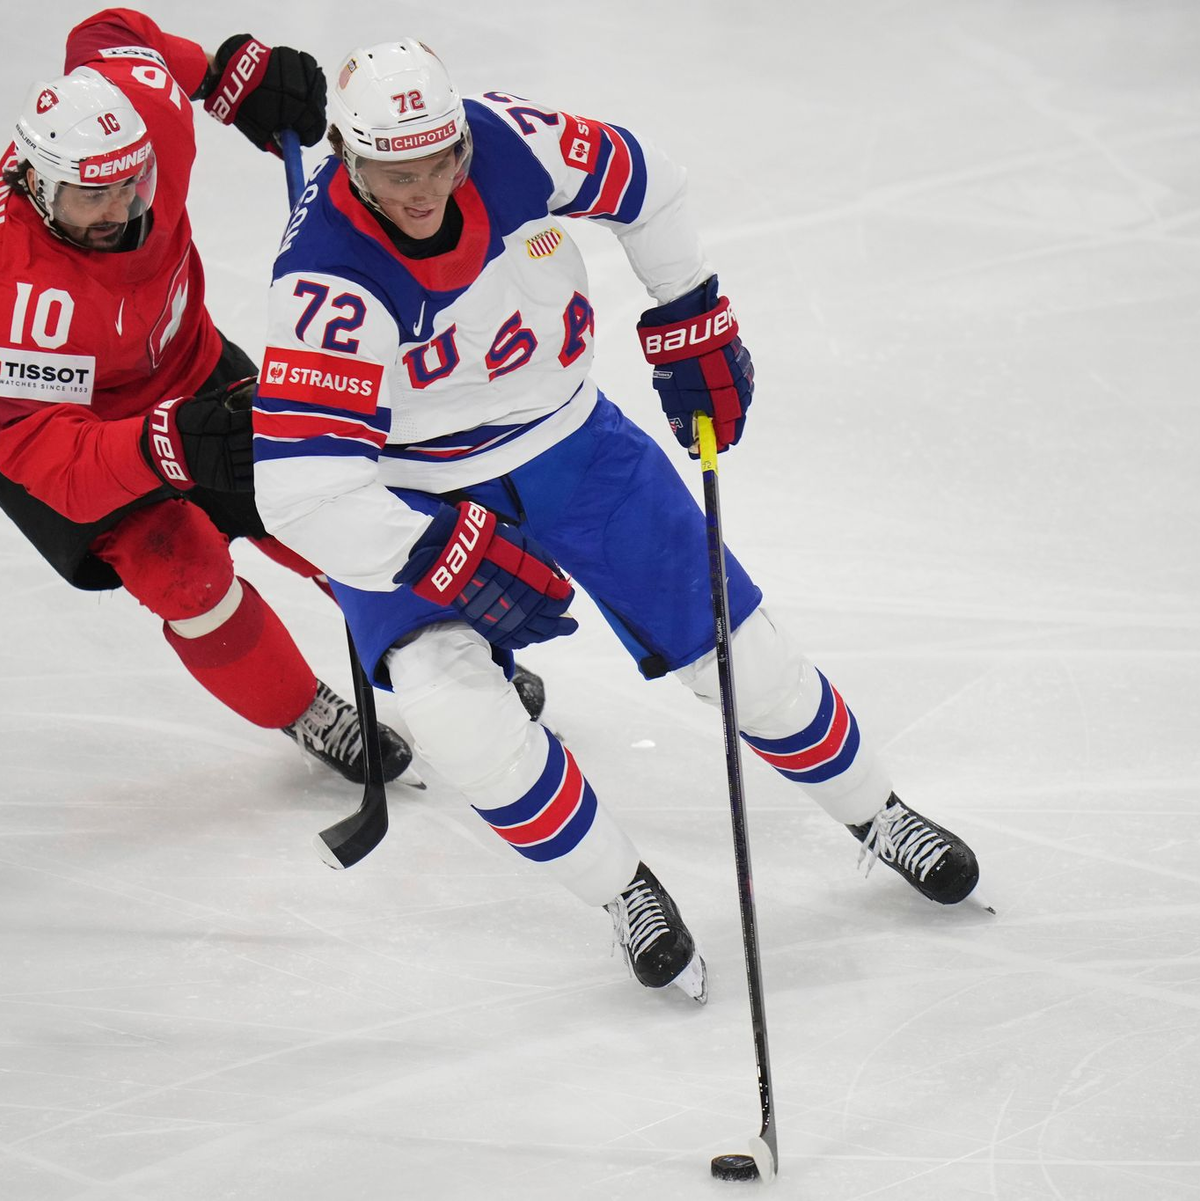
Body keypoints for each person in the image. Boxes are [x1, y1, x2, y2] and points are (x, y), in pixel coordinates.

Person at [252, 40, 984, 1003]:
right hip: (412, 492)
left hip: (576, 448)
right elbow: (300, 493)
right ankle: (622, 891)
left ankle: (877, 813)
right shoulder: (323, 283)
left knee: (739, 654)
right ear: (349, 156)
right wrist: (438, 548)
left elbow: (653, 184)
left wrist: (691, 312)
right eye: (396, 171)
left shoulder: (512, 143)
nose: (424, 188)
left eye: (439, 161)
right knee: (457, 718)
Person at [0, 11, 544, 790]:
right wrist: (161, 443)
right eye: (93, 195)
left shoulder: (144, 116)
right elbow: (45, 457)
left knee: (314, 496)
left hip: (189, 369)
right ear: (35, 181)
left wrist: (226, 72)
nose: (120, 210)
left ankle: (445, 670)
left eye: (133, 183)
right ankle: (302, 707)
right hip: (67, 438)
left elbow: (108, 31)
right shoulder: (13, 288)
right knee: (182, 570)